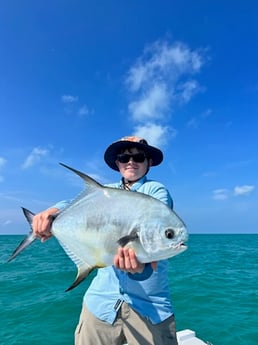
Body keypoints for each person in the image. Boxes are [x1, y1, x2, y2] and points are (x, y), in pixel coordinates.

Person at [32, 136, 179, 345]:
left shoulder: (155, 193)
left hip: (149, 307)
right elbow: (72, 203)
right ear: (117, 163)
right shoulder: (104, 192)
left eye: (138, 156)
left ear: (149, 163)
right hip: (100, 302)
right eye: (124, 157)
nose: (131, 162)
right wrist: (51, 213)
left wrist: (141, 266)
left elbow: (155, 227)